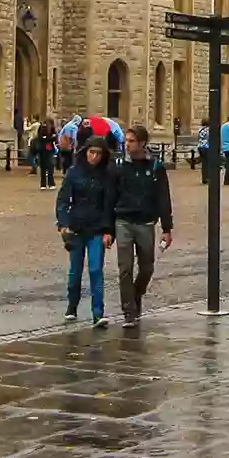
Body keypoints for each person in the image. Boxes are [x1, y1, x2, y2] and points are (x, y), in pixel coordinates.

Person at [106, 124, 173, 327]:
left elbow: (163, 198)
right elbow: (110, 197)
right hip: (123, 222)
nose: (127, 144)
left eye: (131, 141)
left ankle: (136, 295)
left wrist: (167, 228)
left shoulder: (155, 167)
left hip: (145, 223)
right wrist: (108, 229)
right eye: (126, 140)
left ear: (142, 143)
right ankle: (129, 311)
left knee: (147, 268)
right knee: (124, 268)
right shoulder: (118, 166)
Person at [56, 134, 113, 327]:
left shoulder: (107, 176)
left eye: (98, 153)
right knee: (75, 272)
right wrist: (63, 225)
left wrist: (108, 231)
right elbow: (63, 201)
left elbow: (109, 205)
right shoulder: (74, 172)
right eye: (91, 152)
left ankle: (98, 313)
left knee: (96, 270)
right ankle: (72, 306)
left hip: (97, 228)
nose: (94, 157)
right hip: (77, 228)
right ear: (85, 152)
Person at [36, 117, 58, 190]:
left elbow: (54, 138)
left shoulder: (51, 128)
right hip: (45, 149)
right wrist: (49, 138)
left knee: (48, 167)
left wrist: (47, 138)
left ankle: (46, 184)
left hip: (47, 148)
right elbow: (41, 137)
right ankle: (46, 184)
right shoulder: (42, 128)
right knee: (46, 167)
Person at [195, 118, 211, 183]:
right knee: (208, 163)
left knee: (204, 163)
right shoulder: (209, 129)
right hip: (206, 147)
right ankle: (207, 178)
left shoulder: (200, 129)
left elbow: (198, 138)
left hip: (200, 146)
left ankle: (204, 178)